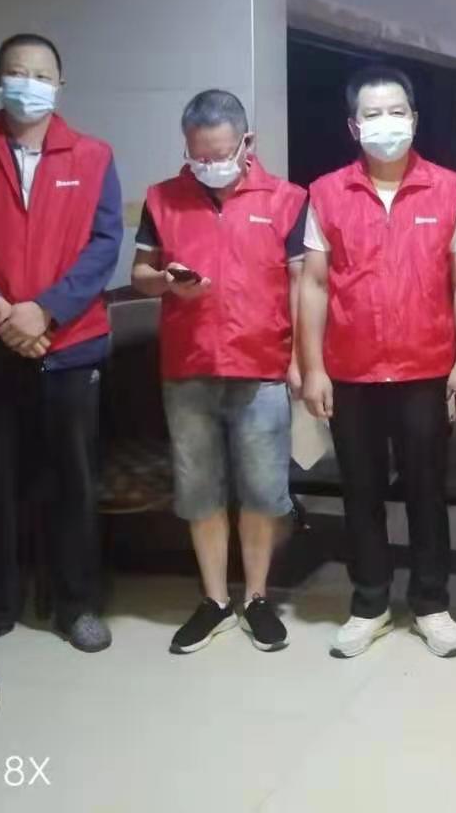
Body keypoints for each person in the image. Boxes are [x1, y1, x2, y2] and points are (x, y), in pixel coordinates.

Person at [0, 33, 123, 663]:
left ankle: (76, 604)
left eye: (41, 74)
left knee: (74, 480)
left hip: (70, 344)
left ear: (60, 84)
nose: (29, 84)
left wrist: (46, 310)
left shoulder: (93, 155)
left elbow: (103, 246)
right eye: (17, 72)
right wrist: (0, 309)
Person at [298, 66, 456, 659]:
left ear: (414, 119)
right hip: (351, 371)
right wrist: (313, 368)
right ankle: (370, 602)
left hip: (426, 369)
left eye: (396, 111)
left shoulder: (450, 189)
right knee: (361, 491)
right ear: (354, 126)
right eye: (373, 114)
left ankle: (431, 602)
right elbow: (315, 283)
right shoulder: (326, 192)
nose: (386, 123)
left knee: (428, 490)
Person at [130, 90, 309, 655]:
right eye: (199, 155)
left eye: (221, 153)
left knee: (262, 490)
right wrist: (166, 282)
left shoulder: (287, 199)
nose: (209, 164)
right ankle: (214, 600)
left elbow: (302, 285)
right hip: (188, 367)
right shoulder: (162, 198)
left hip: (262, 366)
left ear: (246, 142)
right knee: (199, 489)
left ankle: (256, 598)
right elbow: (140, 273)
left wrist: (301, 361)